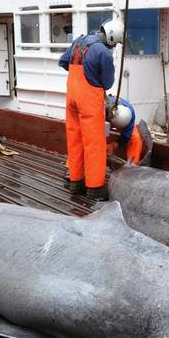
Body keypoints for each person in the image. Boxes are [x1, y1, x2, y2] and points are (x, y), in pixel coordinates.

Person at [58, 19, 124, 201]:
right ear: (111, 38)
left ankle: (75, 182)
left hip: (71, 97)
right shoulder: (104, 52)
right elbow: (107, 83)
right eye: (116, 42)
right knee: (94, 144)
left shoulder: (78, 41)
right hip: (88, 101)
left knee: (75, 141)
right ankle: (95, 188)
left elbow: (63, 61)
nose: (114, 46)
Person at [105, 95, 152, 166]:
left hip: (118, 121)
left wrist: (113, 145)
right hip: (104, 118)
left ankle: (132, 166)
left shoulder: (130, 114)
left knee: (136, 139)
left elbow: (126, 137)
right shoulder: (104, 108)